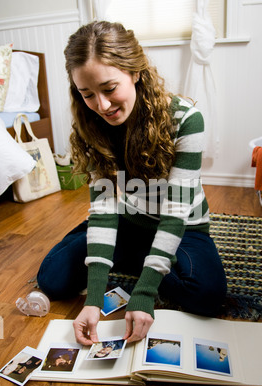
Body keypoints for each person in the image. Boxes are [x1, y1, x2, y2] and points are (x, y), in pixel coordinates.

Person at [37, 21, 227, 347]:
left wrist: (145, 290)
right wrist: (94, 298)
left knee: (207, 296)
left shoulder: (185, 119)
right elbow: (105, 206)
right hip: (130, 221)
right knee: (51, 279)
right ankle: (136, 254)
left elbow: (175, 213)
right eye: (87, 95)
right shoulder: (93, 125)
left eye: (109, 89)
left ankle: (138, 259)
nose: (102, 105)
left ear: (135, 72)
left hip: (184, 226)